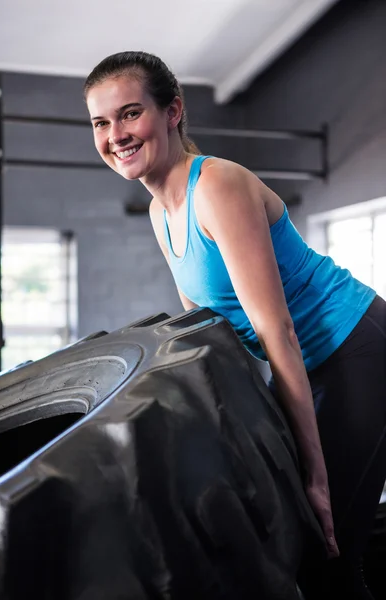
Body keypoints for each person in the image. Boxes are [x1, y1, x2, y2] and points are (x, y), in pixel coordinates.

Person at [84, 51, 386, 599]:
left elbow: (278, 333)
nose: (115, 135)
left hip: (355, 347)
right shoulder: (160, 212)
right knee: (297, 548)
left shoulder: (217, 187)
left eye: (130, 114)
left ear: (173, 111)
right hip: (308, 364)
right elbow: (211, 332)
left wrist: (314, 478)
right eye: (101, 122)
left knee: (327, 554)